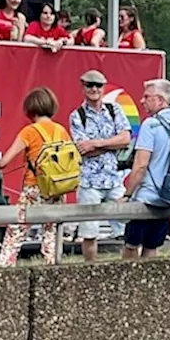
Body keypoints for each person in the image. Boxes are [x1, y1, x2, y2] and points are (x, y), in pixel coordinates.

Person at [0, 87, 71, 267]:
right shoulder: (61, 130)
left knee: (17, 229)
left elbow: (5, 161)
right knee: (51, 230)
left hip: (34, 187)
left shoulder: (29, 131)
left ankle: (6, 267)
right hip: (57, 188)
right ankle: (52, 266)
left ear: (30, 108)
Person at [68, 70, 133, 262]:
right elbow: (83, 149)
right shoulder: (77, 116)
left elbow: (126, 139)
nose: (94, 89)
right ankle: (91, 269)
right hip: (89, 182)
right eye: (90, 85)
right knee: (89, 232)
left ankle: (129, 267)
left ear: (104, 88)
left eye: (98, 85)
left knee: (129, 227)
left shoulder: (115, 110)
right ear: (83, 87)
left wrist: (96, 143)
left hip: (114, 179)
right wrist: (112, 144)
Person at [121, 79, 170, 258]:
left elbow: (141, 165)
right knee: (152, 246)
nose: (142, 101)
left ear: (160, 100)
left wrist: (127, 195)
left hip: (147, 196)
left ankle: (128, 283)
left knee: (131, 245)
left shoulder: (151, 124)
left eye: (146, 97)